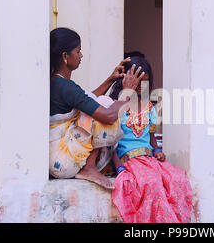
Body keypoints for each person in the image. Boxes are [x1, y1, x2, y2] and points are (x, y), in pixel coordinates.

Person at [49, 28, 145, 189]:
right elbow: (109, 116)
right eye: (78, 51)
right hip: (65, 160)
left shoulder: (57, 83)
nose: (81, 56)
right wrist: (127, 92)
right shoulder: (65, 86)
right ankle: (90, 167)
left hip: (57, 160)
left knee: (98, 104)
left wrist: (110, 79)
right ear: (65, 56)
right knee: (105, 104)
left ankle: (90, 166)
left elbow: (86, 100)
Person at [109, 54, 193, 223]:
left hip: (149, 159)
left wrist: (157, 150)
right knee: (151, 182)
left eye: (144, 82)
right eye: (137, 81)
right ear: (126, 79)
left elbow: (152, 136)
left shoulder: (149, 107)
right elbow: (110, 143)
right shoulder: (115, 105)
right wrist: (118, 169)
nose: (140, 87)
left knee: (177, 178)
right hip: (129, 161)